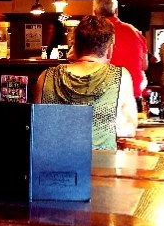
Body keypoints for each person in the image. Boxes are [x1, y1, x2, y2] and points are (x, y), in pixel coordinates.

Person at [33, 15, 137, 150]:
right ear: (109, 49)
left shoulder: (45, 77)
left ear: (74, 46)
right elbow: (131, 128)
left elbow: (38, 127)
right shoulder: (120, 76)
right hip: (102, 161)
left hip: (53, 160)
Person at [92, 0, 148, 107]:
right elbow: (144, 66)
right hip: (132, 95)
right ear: (116, 11)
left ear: (95, 12)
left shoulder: (91, 32)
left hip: (103, 98)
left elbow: (74, 58)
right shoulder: (135, 32)